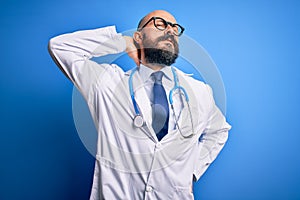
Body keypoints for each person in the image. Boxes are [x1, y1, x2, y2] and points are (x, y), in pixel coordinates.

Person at [48, 10, 231, 200]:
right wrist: (120, 42)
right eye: (160, 23)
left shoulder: (199, 91)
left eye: (175, 28)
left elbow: (219, 132)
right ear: (138, 37)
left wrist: (193, 170)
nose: (170, 30)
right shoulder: (106, 83)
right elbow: (60, 47)